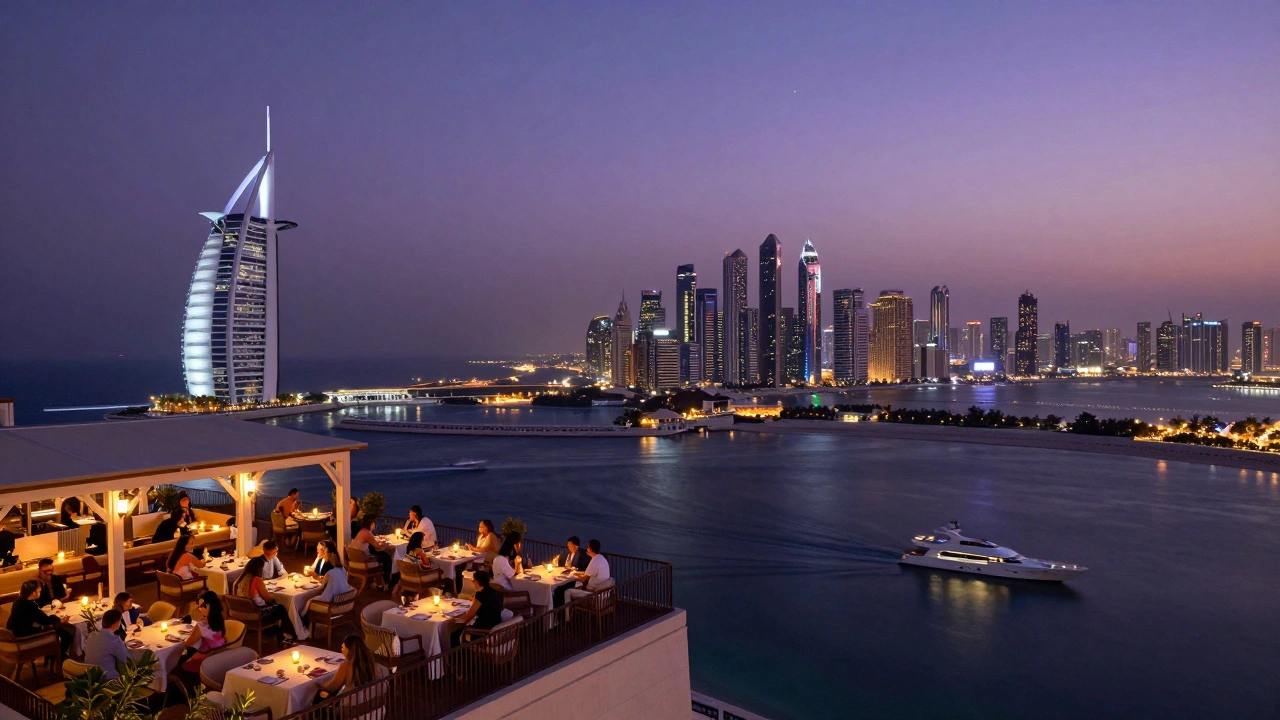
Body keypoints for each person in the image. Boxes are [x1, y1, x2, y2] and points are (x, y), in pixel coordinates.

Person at [231, 556, 297, 642]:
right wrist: (274, 598)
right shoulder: (256, 580)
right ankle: (289, 636)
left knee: (276, 609)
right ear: (258, 568)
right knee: (281, 608)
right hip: (256, 616)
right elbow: (269, 599)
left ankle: (275, 631)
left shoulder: (239, 580)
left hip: (240, 615)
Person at [7, 579, 73, 657]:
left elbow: (37, 616)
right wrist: (59, 619)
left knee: (56, 628)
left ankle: (54, 655)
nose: (40, 593)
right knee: (65, 634)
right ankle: (60, 655)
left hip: (17, 634)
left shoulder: (18, 601)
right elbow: (46, 620)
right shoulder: (30, 605)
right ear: (33, 592)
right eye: (39, 591)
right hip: (26, 638)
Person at [313, 634, 381, 704]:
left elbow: (333, 686)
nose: (341, 650)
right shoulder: (371, 663)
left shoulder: (347, 665)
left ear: (348, 649)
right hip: (368, 700)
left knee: (320, 694)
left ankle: (312, 714)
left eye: (343, 647)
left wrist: (319, 685)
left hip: (350, 704)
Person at [178, 591, 226, 688]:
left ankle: (182, 689)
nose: (199, 609)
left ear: (208, 606)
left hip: (205, 657)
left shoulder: (201, 625)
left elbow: (188, 644)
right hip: (219, 652)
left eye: (201, 606)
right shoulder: (220, 619)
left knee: (178, 659)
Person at [449, 571, 506, 648]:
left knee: (454, 634)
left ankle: (457, 658)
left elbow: (467, 617)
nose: (472, 582)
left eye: (473, 580)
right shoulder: (494, 592)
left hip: (483, 631)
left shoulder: (481, 595)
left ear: (478, 582)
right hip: (495, 625)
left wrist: (452, 620)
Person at [304, 541, 352, 622]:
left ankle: (306, 622)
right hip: (340, 599)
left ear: (327, 553)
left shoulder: (331, 572)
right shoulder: (342, 569)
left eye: (323, 550)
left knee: (307, 601)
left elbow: (325, 589)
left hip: (332, 603)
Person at [83, 610, 129, 680]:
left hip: (90, 676)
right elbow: (125, 660)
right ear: (116, 623)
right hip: (108, 680)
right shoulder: (115, 640)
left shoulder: (91, 635)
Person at [353, 515, 393, 586]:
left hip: (356, 558)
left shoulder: (362, 531)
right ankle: (387, 583)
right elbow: (378, 548)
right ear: (371, 524)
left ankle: (379, 582)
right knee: (387, 557)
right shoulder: (367, 533)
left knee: (383, 556)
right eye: (374, 523)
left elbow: (373, 543)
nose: (374, 525)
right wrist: (387, 544)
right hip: (363, 561)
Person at [553, 536, 589, 607]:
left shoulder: (582, 555)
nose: (567, 546)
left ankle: (560, 609)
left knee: (559, 589)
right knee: (556, 587)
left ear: (575, 545)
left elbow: (582, 569)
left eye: (569, 545)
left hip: (574, 580)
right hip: (564, 575)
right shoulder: (566, 552)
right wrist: (556, 560)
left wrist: (573, 570)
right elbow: (559, 559)